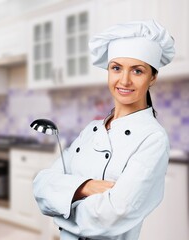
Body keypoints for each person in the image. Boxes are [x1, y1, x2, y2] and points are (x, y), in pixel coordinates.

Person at [32, 19, 175, 240]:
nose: (124, 80)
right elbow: (41, 184)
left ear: (153, 77)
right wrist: (85, 187)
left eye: (137, 71)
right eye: (116, 68)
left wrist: (59, 208)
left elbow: (112, 217)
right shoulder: (91, 130)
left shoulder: (153, 138)